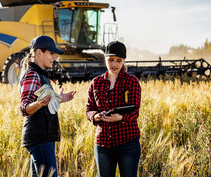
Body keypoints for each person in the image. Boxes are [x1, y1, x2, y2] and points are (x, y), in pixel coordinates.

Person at [19, 35, 76, 177]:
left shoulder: (40, 74)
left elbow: (44, 101)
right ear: (39, 52)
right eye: (51, 53)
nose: (54, 57)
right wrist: (39, 103)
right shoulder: (32, 75)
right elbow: (24, 108)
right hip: (39, 137)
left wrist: (59, 98)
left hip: (43, 136)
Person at [86, 40, 142, 177]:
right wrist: (95, 116)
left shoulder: (132, 81)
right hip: (103, 143)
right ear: (105, 59)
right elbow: (89, 109)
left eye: (118, 60)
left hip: (127, 142)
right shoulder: (96, 83)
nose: (114, 64)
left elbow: (135, 111)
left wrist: (121, 118)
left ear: (123, 61)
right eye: (110, 60)